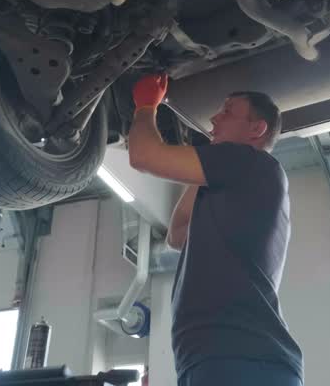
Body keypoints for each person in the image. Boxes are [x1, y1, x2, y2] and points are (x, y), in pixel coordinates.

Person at [127, 74, 303, 386]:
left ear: (256, 129)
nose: (213, 117)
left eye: (227, 111)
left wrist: (145, 106)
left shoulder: (252, 163)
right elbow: (178, 233)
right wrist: (205, 167)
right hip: (221, 360)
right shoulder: (243, 179)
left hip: (241, 360)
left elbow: (143, 156)